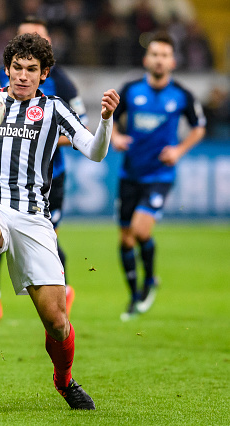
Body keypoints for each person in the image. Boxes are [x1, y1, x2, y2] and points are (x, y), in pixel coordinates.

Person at [0, 32, 119, 410]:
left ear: (44, 74)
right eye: (17, 68)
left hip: (33, 216)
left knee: (57, 321)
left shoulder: (54, 109)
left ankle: (64, 381)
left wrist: (105, 121)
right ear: (6, 69)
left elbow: (95, 152)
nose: (22, 75)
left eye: (31, 69)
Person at [0, 16, 87, 332]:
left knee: (47, 239)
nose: (23, 72)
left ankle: (61, 291)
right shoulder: (4, 80)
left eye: (39, 38)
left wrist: (39, 135)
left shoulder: (62, 83)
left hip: (47, 178)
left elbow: (82, 127)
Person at [111, 31, 206, 321]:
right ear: (146, 59)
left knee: (141, 231)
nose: (159, 60)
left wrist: (179, 150)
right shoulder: (130, 90)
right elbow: (110, 117)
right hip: (130, 172)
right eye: (155, 54)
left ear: (173, 62)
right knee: (126, 239)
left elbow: (199, 126)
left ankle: (150, 279)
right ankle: (134, 296)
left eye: (165, 55)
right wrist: (115, 136)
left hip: (159, 174)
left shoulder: (182, 95)